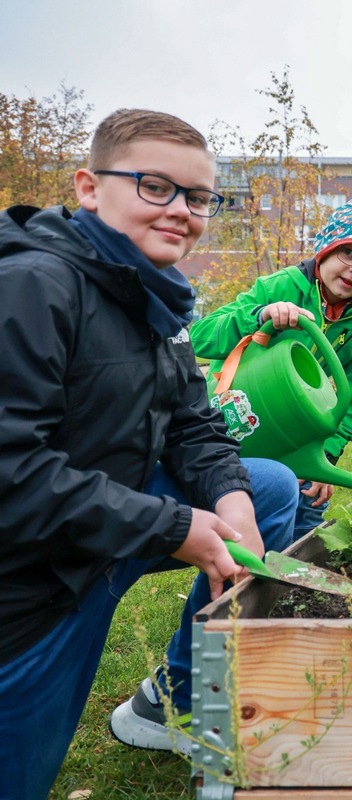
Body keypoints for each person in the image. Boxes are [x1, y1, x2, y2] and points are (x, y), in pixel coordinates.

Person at [0, 108, 299, 797]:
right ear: (87, 186)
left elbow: (193, 423)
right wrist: (174, 527)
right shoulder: (34, 286)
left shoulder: (154, 297)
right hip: (30, 580)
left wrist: (228, 499)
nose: (182, 212)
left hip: (104, 532)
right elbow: (12, 473)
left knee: (269, 489)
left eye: (197, 198)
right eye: (155, 187)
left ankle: (183, 698)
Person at [189, 199, 352, 541]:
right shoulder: (282, 287)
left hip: (293, 421)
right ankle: (236, 576)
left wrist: (326, 455)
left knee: (310, 497)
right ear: (327, 249)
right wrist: (259, 315)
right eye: (349, 254)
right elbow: (199, 338)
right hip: (232, 409)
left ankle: (292, 576)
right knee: (240, 507)